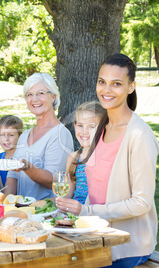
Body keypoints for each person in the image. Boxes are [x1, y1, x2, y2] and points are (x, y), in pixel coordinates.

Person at [55, 54, 158, 267]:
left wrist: (87, 212)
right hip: (95, 234)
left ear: (131, 87)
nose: (106, 89)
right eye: (102, 82)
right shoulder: (101, 128)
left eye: (117, 84)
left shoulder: (139, 135)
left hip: (125, 245)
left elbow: (142, 202)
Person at [4, 73, 73, 199]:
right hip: (22, 211)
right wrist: (6, 204)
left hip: (45, 213)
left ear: (53, 97)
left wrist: (27, 167)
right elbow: (12, 175)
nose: (34, 99)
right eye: (30, 94)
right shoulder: (25, 135)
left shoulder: (60, 134)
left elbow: (52, 181)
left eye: (40, 93)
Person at [62, 101, 105, 204]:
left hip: (96, 215)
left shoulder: (105, 159)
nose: (84, 131)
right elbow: (67, 195)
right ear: (75, 125)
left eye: (91, 126)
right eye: (80, 125)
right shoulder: (73, 158)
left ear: (103, 128)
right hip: (74, 215)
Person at [0, 115, 23, 187]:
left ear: (20, 136)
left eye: (11, 135)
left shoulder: (22, 159)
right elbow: (1, 184)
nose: (6, 139)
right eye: (2, 135)